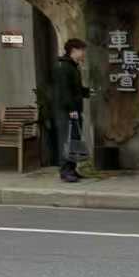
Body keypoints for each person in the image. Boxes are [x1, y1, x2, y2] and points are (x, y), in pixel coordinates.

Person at [52, 38, 90, 183]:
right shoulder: (63, 67)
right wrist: (71, 109)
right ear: (73, 50)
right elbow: (64, 92)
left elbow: (75, 89)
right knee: (66, 140)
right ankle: (65, 171)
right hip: (66, 111)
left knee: (74, 139)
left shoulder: (73, 66)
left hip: (73, 109)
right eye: (82, 50)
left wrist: (88, 92)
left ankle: (72, 169)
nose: (84, 53)